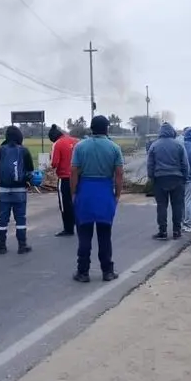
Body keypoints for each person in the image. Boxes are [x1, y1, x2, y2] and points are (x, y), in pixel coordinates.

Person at [70, 116, 125, 282]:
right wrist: (116, 195)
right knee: (104, 235)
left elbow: (73, 172)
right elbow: (119, 174)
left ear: (91, 129)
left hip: (85, 192)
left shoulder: (80, 147)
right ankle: (107, 271)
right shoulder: (114, 148)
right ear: (107, 129)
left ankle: (83, 272)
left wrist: (74, 193)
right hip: (104, 193)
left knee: (84, 235)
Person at [0, 125, 35, 254]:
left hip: (4, 190)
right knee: (20, 218)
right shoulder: (24, 151)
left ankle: (2, 246)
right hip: (20, 190)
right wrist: (27, 181)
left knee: (3, 218)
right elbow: (30, 170)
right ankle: (22, 245)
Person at [148, 122, 191, 239]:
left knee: (161, 206)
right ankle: (177, 231)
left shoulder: (154, 145)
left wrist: (151, 178)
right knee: (177, 205)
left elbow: (150, 164)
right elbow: (185, 164)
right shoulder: (179, 145)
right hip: (177, 179)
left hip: (160, 180)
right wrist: (185, 178)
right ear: (172, 132)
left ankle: (163, 231)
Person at [49, 124, 78, 236]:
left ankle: (68, 229)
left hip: (65, 178)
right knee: (76, 201)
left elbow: (54, 163)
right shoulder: (76, 141)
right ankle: (79, 223)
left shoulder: (58, 144)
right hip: (78, 177)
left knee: (65, 204)